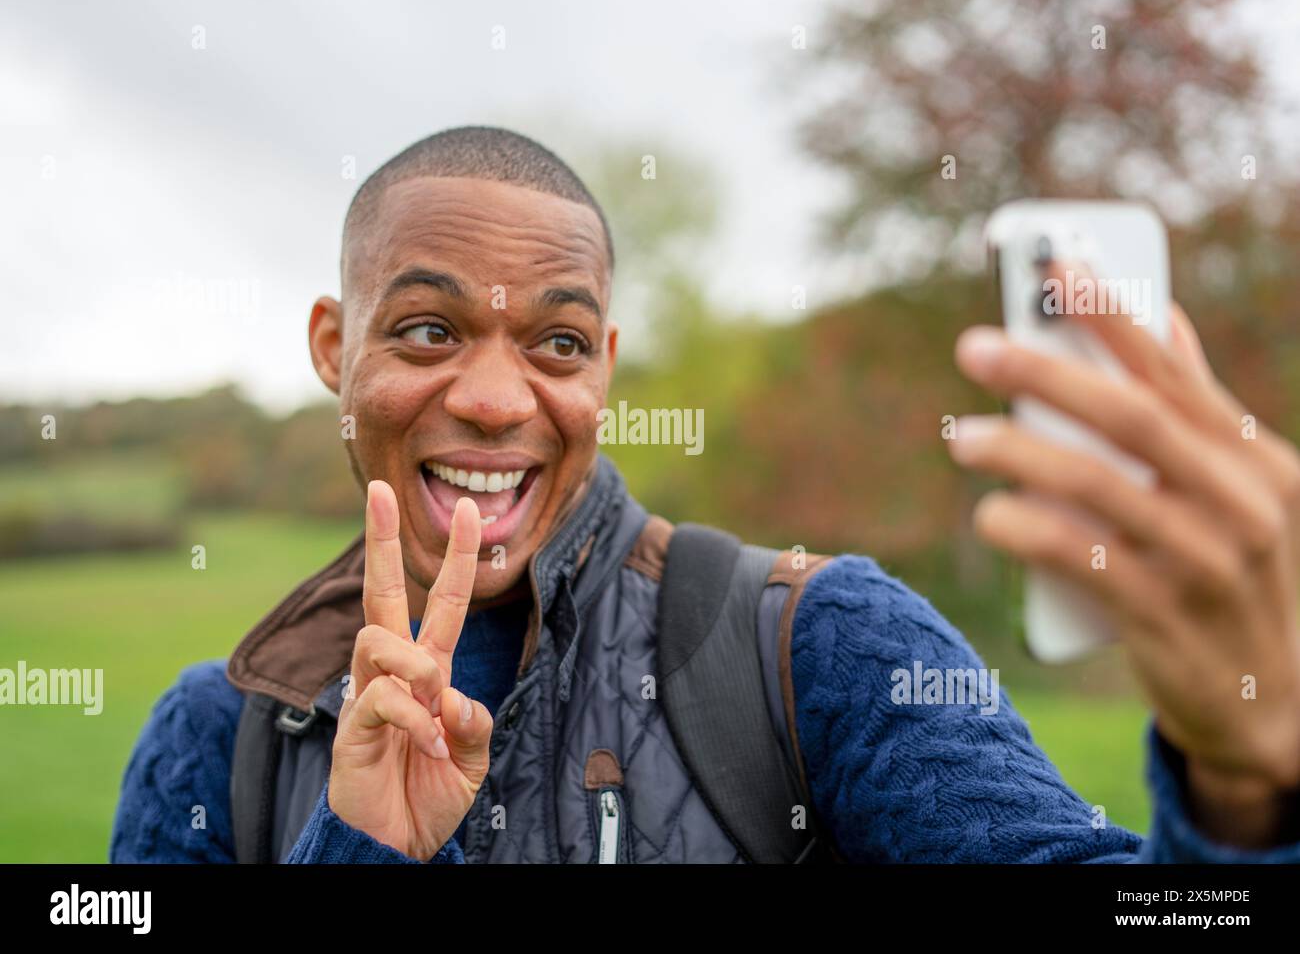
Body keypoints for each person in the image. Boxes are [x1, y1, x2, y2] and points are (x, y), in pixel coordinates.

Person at [111, 126, 1300, 863]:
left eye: (559, 343)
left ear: (607, 367)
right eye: (427, 329)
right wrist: (358, 849)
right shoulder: (216, 742)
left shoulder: (812, 646)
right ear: (333, 345)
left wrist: (1242, 796)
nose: (491, 395)